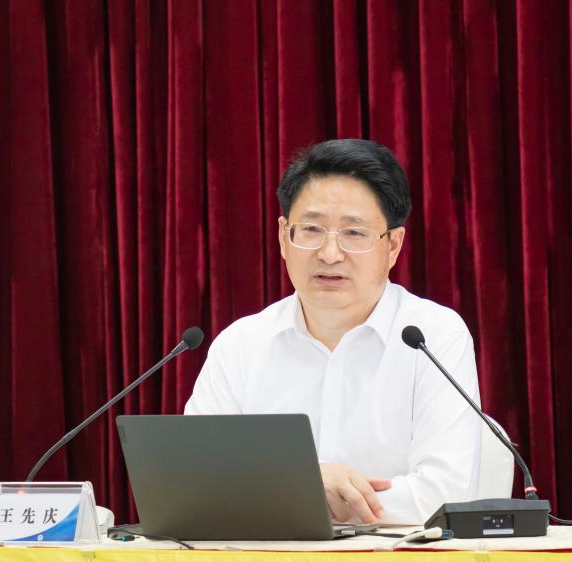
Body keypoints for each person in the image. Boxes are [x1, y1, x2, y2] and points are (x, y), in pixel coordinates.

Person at [185, 139, 482, 525]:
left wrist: (291, 494)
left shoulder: (434, 337)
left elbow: (445, 494)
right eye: (311, 229)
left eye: (354, 233)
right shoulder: (240, 344)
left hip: (393, 561)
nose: (329, 254)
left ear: (393, 245)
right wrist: (309, 488)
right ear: (283, 237)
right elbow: (195, 483)